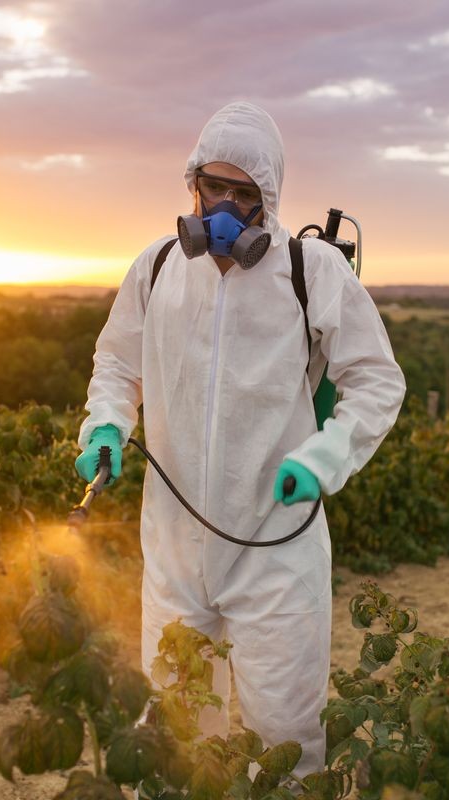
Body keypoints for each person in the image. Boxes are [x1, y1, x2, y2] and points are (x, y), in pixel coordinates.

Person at [75, 101, 405, 776]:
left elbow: (376, 382)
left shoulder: (309, 270)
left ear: (269, 199)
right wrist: (107, 422)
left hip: (275, 549)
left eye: (243, 193)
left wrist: (323, 458)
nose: (223, 205)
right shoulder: (159, 266)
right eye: (211, 186)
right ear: (191, 184)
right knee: (174, 733)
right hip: (175, 550)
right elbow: (117, 363)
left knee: (284, 741)